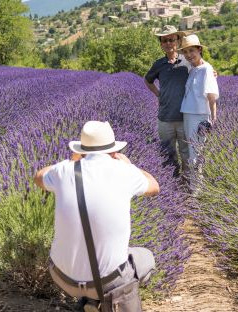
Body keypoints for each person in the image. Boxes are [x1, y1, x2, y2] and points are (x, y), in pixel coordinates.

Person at [34, 120, 159, 310]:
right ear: (113, 151)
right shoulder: (124, 171)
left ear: (82, 150)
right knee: (146, 257)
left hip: (62, 277)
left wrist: (72, 161)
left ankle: (91, 303)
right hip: (107, 281)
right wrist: (130, 165)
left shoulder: (64, 170)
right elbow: (154, 186)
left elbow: (39, 176)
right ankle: (112, 303)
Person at [144, 25, 190, 179]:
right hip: (165, 117)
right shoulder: (159, 64)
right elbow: (148, 80)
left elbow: (203, 70)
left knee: (187, 153)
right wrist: (158, 94)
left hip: (185, 117)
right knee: (168, 153)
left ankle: (188, 183)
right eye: (164, 41)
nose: (168, 43)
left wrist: (213, 73)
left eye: (171, 40)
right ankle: (173, 184)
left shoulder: (187, 61)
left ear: (178, 41)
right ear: (161, 44)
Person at [178, 34, 219, 192]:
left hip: (199, 115)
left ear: (199, 50)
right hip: (189, 114)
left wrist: (213, 119)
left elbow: (211, 96)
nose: (189, 55)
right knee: (192, 152)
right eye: (186, 52)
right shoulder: (193, 68)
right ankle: (194, 187)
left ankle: (197, 191)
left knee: (197, 153)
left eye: (192, 51)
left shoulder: (206, 69)